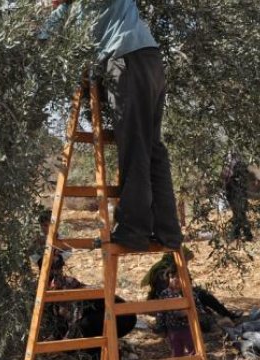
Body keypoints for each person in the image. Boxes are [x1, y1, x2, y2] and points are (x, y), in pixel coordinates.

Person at [39, 0, 182, 251]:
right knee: (152, 148)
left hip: (126, 59)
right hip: (149, 58)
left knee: (136, 147)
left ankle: (133, 231)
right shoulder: (71, 8)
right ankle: (168, 232)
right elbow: (45, 34)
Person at [222, 151, 253, 241]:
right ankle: (239, 235)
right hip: (234, 195)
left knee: (240, 215)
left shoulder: (238, 167)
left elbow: (241, 181)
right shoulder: (230, 167)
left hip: (238, 195)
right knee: (238, 215)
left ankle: (241, 235)